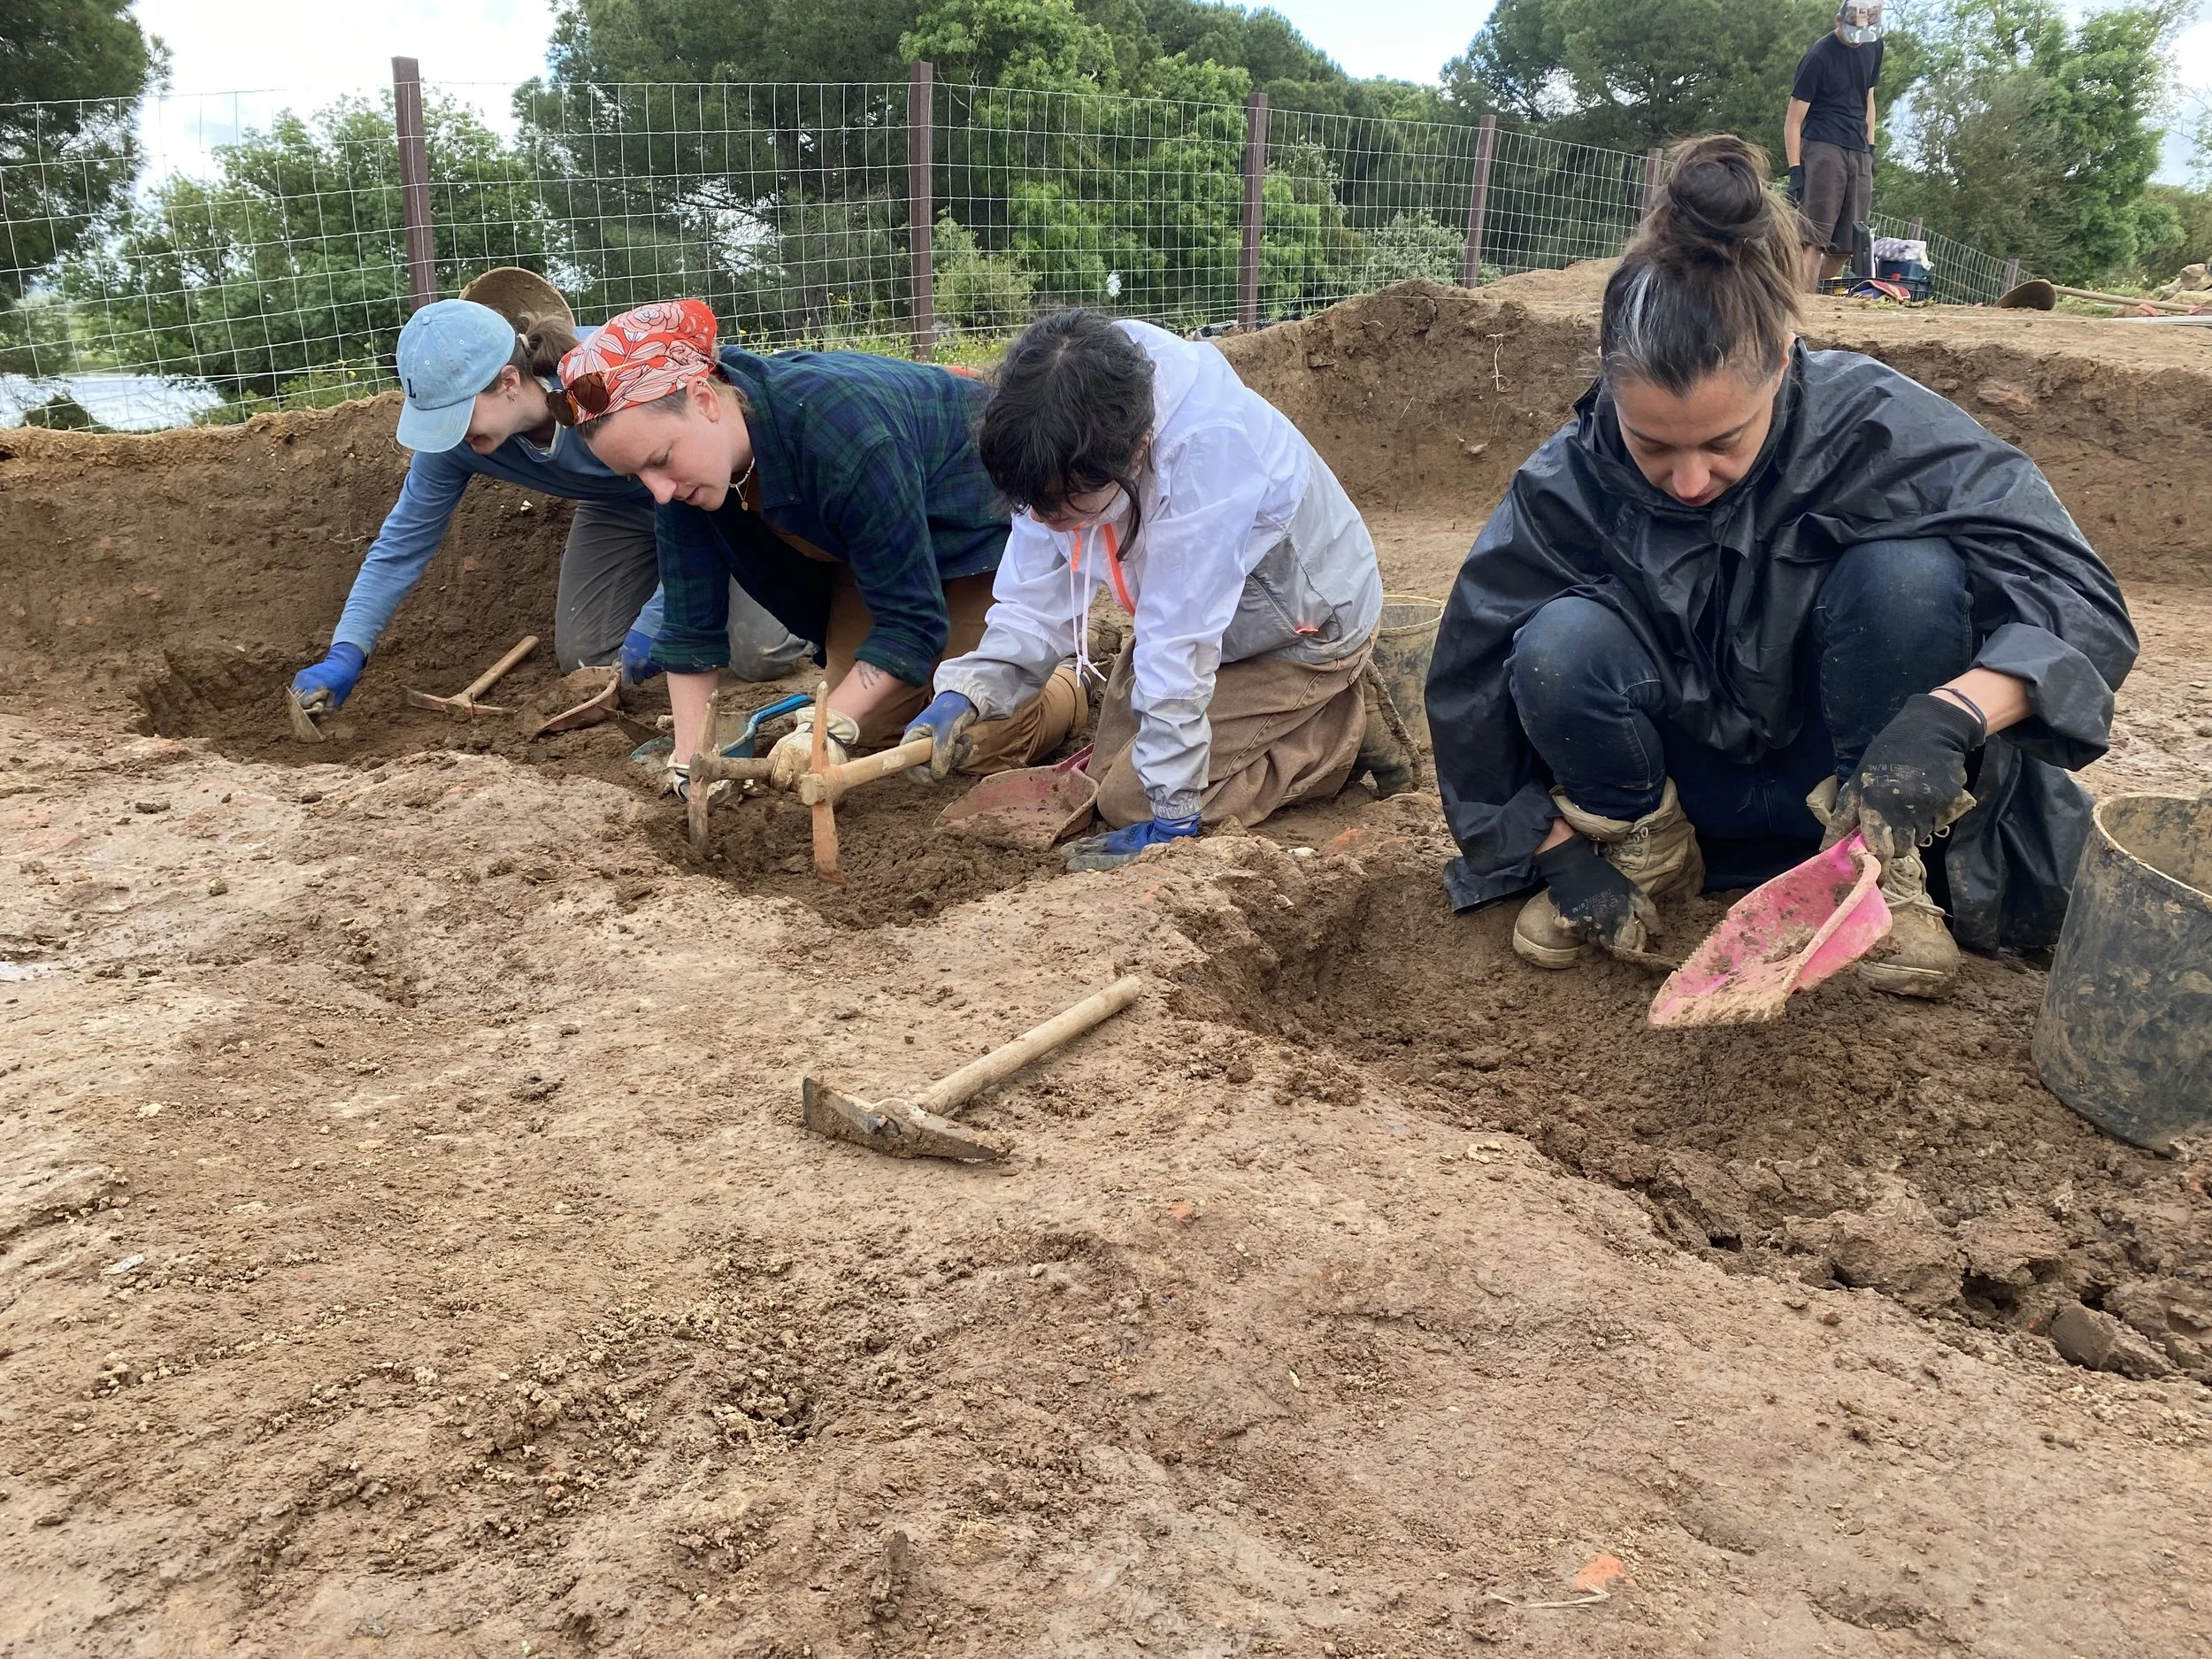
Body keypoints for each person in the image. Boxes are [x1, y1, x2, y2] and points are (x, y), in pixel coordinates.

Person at [1425, 135, 2135, 999]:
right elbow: (1465, 675)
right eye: (1651, 445)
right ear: (1609, 391)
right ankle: (1643, 848)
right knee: (1554, 640)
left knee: (1907, 573)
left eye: (1724, 443)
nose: (1688, 482)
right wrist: (1553, 851)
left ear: (1786, 364)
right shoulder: (1568, 475)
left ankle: (1874, 869)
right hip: (1680, 775)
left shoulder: (1874, 425)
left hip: (1844, 764)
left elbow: (2078, 599)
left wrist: (1953, 717)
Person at [913, 308, 1410, 872]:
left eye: (1068, 503)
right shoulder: (1053, 436)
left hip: (1302, 627)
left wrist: (1173, 820)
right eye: (1036, 505)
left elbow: (1178, 647)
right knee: (1108, 774)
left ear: (1139, 447)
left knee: (1131, 800)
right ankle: (1280, 724)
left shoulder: (1204, 451)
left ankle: (1340, 735)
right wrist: (968, 692)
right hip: (1217, 625)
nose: (1048, 520)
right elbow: (1034, 602)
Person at [558, 300, 1083, 794]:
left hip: (972, 530)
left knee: (978, 745)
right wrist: (691, 758)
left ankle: (1068, 684)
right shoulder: (682, 482)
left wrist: (828, 723)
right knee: (878, 733)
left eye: (660, 459)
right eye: (638, 476)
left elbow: (911, 624)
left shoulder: (839, 432)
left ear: (702, 400)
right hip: (872, 552)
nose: (660, 491)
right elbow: (690, 624)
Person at [287, 270, 803, 722]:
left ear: (509, 381)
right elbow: (401, 544)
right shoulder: (458, 445)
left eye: (458, 416)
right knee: (588, 659)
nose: (452, 434)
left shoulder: (602, 379)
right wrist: (347, 650)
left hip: (714, 490)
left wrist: (658, 622)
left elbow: (717, 436)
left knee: (761, 654)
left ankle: (815, 594)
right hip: (623, 506)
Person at [1784, 2, 1884, 293]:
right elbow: (1793, 120)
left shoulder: (1874, 46)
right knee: (1814, 239)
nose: (1859, 39)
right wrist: (1796, 171)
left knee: (1848, 244)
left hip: (1858, 147)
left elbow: (1869, 98)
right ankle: (1802, 303)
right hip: (1823, 148)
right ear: (1839, 20)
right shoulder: (1818, 57)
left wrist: (1871, 147)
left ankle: (1807, 293)